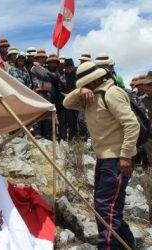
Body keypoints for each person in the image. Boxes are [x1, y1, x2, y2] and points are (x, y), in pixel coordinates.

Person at [63, 62, 138, 249]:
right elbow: (66, 103)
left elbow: (131, 125)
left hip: (117, 159)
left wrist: (126, 156)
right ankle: (127, 244)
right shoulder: (90, 96)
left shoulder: (111, 93)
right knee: (107, 208)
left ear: (95, 79)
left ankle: (108, 246)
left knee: (106, 209)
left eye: (86, 83)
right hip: (105, 159)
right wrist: (80, 92)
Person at [31, 49, 53, 139]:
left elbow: (54, 77)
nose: (43, 59)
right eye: (41, 58)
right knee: (39, 112)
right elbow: (45, 76)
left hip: (47, 92)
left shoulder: (44, 69)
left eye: (44, 58)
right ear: (37, 58)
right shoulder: (34, 68)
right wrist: (48, 74)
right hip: (38, 91)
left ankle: (47, 133)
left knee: (47, 113)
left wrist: (48, 74)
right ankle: (37, 132)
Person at [60, 58, 78, 140]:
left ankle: (82, 138)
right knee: (71, 121)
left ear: (73, 67)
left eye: (70, 67)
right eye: (67, 67)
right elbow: (60, 91)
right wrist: (67, 95)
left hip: (79, 101)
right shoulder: (62, 78)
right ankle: (71, 138)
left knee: (81, 121)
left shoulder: (78, 76)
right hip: (68, 101)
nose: (69, 69)